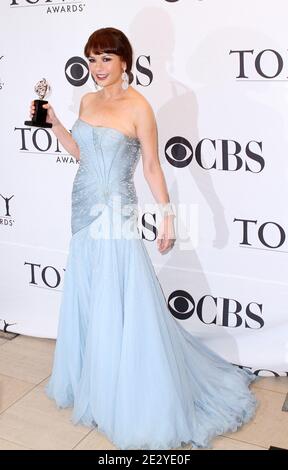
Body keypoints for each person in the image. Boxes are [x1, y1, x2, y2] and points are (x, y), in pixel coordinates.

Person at [30, 27, 258, 450]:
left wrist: (167, 216)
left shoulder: (139, 107)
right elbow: (82, 154)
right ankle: (96, 382)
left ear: (125, 63)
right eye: (92, 59)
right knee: (91, 291)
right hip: (81, 209)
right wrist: (58, 124)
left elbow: (152, 166)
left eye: (106, 59)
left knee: (123, 295)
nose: (97, 68)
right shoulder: (86, 101)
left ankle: (128, 389)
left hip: (115, 211)